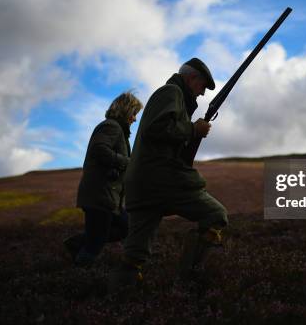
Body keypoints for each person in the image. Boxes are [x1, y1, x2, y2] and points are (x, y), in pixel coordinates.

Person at [109, 58, 228, 287]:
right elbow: (158, 129)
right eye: (202, 86)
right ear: (191, 78)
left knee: (134, 255)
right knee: (215, 215)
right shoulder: (171, 92)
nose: (202, 93)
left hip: (142, 184)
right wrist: (194, 129)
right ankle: (189, 280)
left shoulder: (172, 97)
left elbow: (163, 137)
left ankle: (118, 299)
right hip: (160, 179)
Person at [63, 91, 143, 267]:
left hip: (108, 198)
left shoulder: (118, 130)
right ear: (125, 110)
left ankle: (76, 243)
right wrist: (127, 162)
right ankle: (79, 276)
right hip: (99, 195)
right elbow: (99, 150)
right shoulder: (111, 127)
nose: (135, 119)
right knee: (95, 244)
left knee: (124, 227)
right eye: (134, 113)